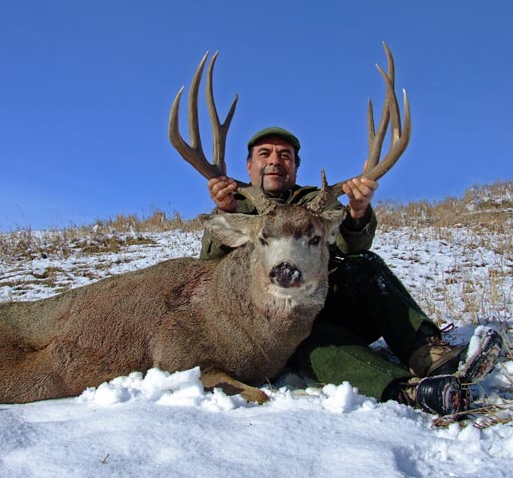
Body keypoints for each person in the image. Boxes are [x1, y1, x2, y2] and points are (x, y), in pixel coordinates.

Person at [199, 126, 503, 416]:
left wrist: (357, 212)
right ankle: (409, 391)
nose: (275, 161)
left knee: (364, 264)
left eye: (285, 155)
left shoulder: (314, 203)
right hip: (271, 326)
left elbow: (350, 246)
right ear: (249, 164)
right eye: (265, 154)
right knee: (312, 341)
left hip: (326, 302)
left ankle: (429, 354)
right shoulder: (236, 205)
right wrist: (226, 211)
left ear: (295, 167)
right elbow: (208, 269)